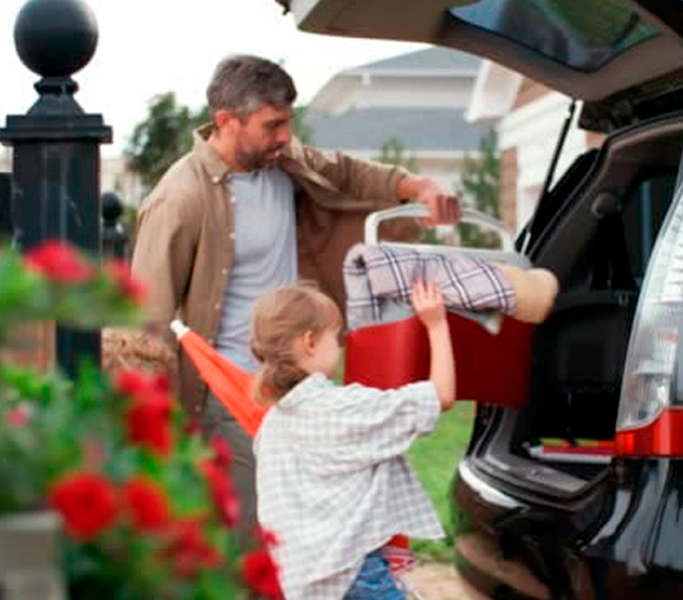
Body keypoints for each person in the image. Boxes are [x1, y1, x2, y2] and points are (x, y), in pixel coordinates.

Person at [130, 54, 460, 541]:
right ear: (226, 121)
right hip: (233, 394)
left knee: (313, 532)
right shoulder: (181, 198)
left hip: (302, 389)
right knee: (256, 541)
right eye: (273, 124)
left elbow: (347, 173)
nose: (285, 135)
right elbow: (146, 320)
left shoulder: (284, 161)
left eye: (288, 122)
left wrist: (418, 186)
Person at [250, 280, 455, 599]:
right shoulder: (343, 409)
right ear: (310, 342)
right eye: (336, 336)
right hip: (353, 575)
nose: (341, 345)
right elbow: (440, 395)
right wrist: (437, 324)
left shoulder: (272, 425)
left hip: (301, 582)